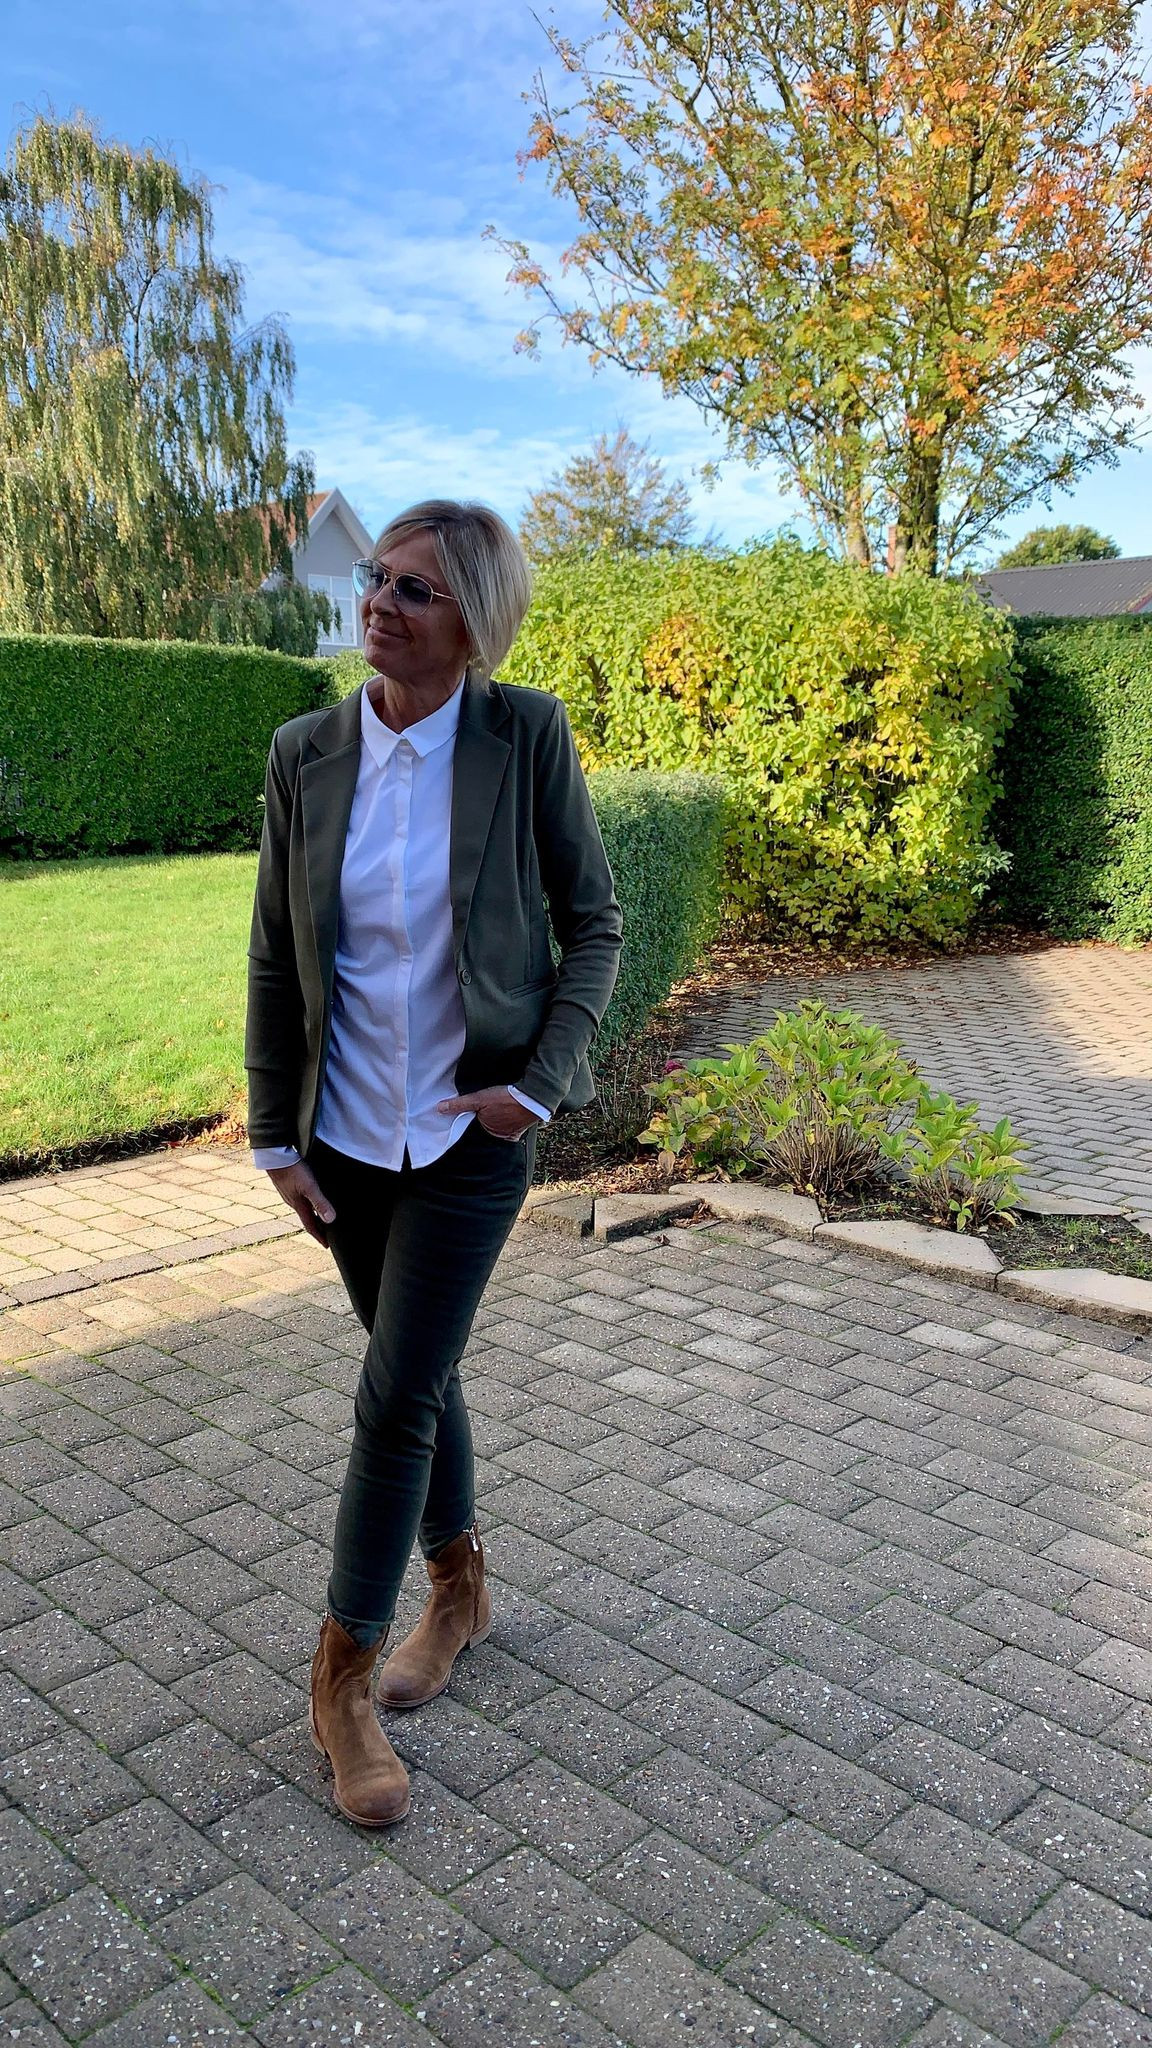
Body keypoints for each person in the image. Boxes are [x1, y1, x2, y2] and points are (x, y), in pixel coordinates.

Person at [245, 499, 622, 1826]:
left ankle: (339, 1676)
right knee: (423, 1366)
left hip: (471, 1136)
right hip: (346, 1140)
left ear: (477, 624)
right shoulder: (306, 753)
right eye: (377, 577)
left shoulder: (524, 736)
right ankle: (460, 1590)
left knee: (395, 1393)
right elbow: (277, 951)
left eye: (415, 589)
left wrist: (537, 1083)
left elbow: (594, 925)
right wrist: (274, 1132)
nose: (380, 603)